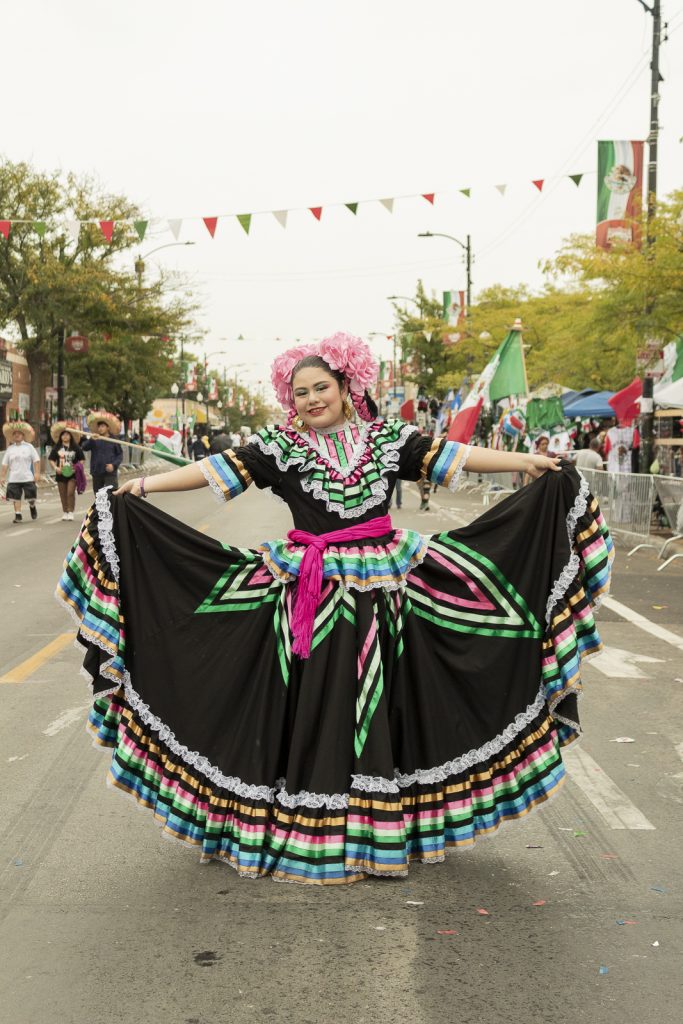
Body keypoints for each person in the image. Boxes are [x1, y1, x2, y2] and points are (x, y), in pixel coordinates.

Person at [56, 333, 613, 886]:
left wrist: (530, 463)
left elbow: (457, 457)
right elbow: (214, 470)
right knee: (315, 704)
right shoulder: (279, 447)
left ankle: (387, 826)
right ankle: (314, 826)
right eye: (300, 392)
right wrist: (145, 486)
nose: (310, 399)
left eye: (321, 387)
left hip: (386, 587)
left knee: (387, 702)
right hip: (309, 590)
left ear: (347, 387)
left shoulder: (389, 439)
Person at [1, 421, 41, 524]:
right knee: (15, 497)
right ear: (13, 436)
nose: (17, 435)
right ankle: (18, 514)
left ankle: (32, 506)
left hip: (27, 476)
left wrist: (36, 473)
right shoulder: (10, 449)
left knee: (31, 496)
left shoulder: (29, 447)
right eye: (15, 434)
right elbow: (5, 464)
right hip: (14, 477)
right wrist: (2, 476)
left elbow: (36, 460)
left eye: (19, 433)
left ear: (23, 435)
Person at [48, 422, 85, 520]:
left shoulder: (75, 447)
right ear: (60, 437)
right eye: (63, 435)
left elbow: (82, 459)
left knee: (70, 492)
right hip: (60, 474)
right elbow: (51, 459)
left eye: (67, 434)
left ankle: (71, 511)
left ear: (71, 436)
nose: (65, 436)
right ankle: (65, 512)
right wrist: (56, 468)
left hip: (72, 474)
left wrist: (77, 467)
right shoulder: (56, 447)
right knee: (62, 493)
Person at [80, 411, 123, 493]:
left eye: (103, 426)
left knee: (111, 495)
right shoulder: (94, 438)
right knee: (98, 497)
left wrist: (113, 465)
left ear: (108, 428)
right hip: (96, 471)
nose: (100, 428)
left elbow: (119, 455)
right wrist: (91, 439)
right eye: (99, 426)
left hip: (110, 472)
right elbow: (84, 447)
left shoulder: (113, 440)